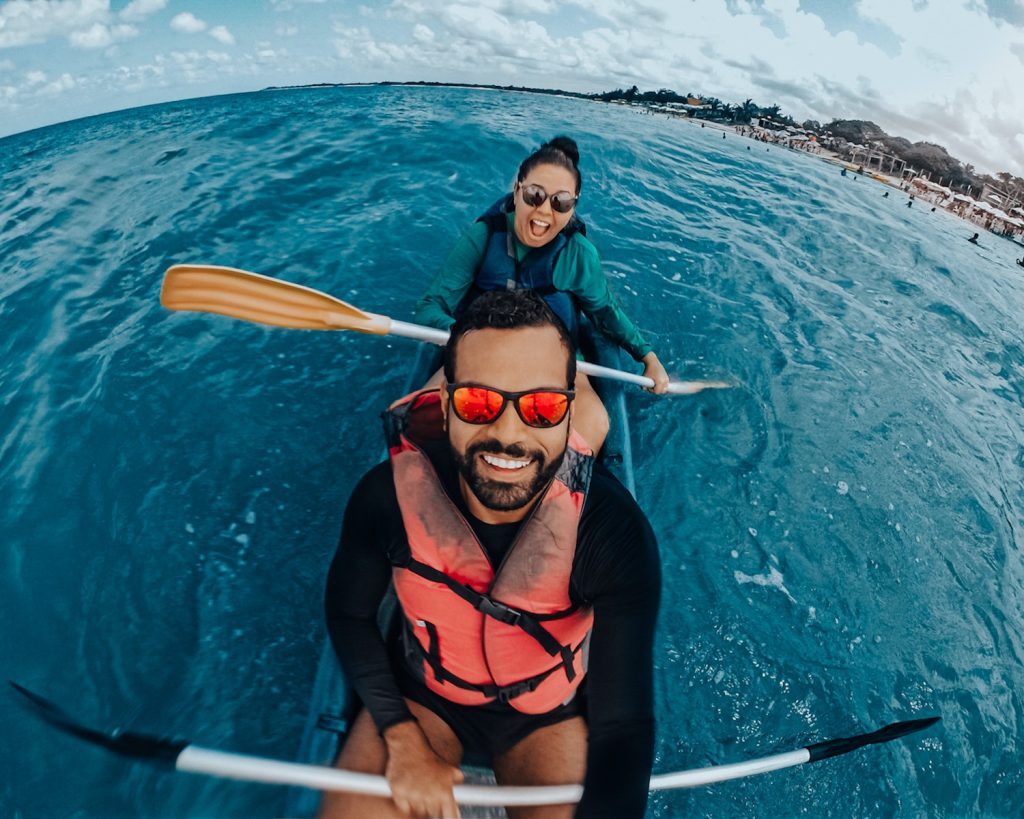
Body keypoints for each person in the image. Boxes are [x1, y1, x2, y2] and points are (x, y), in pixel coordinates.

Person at [319, 290, 661, 819]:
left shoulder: (610, 534)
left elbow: (623, 726)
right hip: (424, 697)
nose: (506, 434)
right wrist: (402, 738)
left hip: (544, 718)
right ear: (445, 402)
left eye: (543, 407)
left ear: (565, 411)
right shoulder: (384, 498)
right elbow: (348, 614)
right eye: (477, 403)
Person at [415, 137, 670, 452]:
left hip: (555, 358)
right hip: (481, 350)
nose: (544, 211)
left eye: (560, 202)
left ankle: (552, 492)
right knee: (420, 416)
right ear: (518, 189)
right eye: (534, 195)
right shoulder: (483, 237)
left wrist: (648, 356)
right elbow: (431, 307)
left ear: (573, 205)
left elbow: (605, 312)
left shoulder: (578, 254)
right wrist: (470, 339)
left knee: (594, 422)